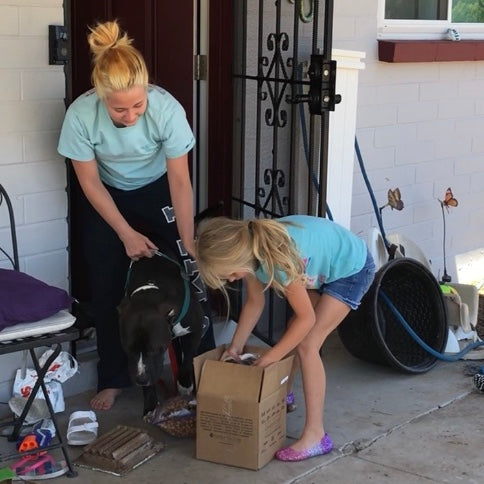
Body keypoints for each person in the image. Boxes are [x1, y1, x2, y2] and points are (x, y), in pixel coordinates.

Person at [57, 20, 214, 411]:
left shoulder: (166, 109)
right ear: (100, 95)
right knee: (110, 286)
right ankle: (114, 377)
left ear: (148, 94)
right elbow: (89, 183)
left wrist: (187, 241)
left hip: (158, 187)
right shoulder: (80, 115)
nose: (131, 116)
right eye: (120, 108)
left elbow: (180, 180)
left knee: (189, 273)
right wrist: (125, 233)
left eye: (138, 105)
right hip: (107, 195)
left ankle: (202, 370)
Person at [195, 214, 375, 462]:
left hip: (350, 268)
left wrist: (271, 357)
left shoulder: (275, 258)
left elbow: (307, 320)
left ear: (233, 257)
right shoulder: (248, 248)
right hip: (319, 267)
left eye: (228, 274)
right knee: (295, 331)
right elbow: (255, 303)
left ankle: (316, 435)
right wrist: (235, 347)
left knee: (307, 344)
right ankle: (283, 393)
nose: (230, 280)